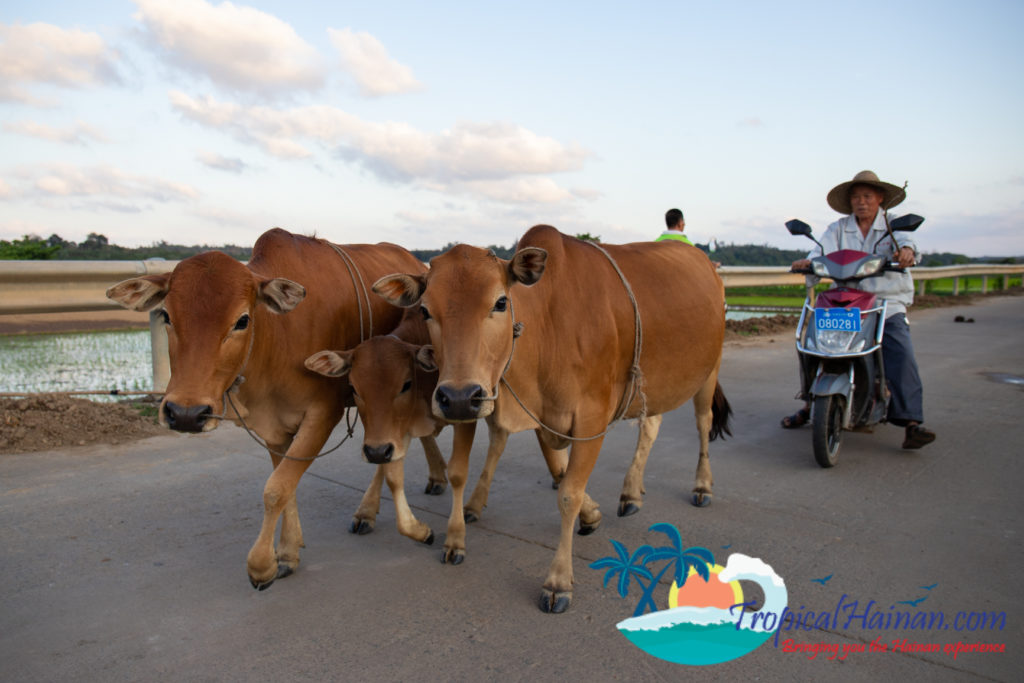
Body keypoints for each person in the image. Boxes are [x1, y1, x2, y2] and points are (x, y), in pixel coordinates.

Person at [781, 170, 936, 449]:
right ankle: (809, 403)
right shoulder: (838, 228)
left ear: (880, 199)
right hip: (846, 300)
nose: (861, 202)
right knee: (813, 344)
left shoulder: (892, 227)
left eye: (867, 196)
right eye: (856, 197)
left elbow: (908, 245)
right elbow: (820, 253)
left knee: (900, 350)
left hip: (884, 303)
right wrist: (808, 262)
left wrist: (906, 253)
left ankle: (912, 422)